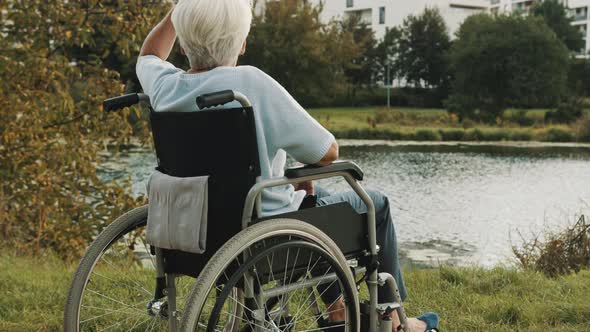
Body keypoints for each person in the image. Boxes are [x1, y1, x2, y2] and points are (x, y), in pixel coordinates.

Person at [135, 1, 438, 331]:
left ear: (181, 41)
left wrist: (179, 9)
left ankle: (338, 308)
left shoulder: (166, 86)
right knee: (374, 204)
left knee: (313, 194)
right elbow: (327, 152)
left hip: (192, 230)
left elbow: (148, 55)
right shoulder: (250, 83)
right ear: (242, 42)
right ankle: (396, 322)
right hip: (262, 237)